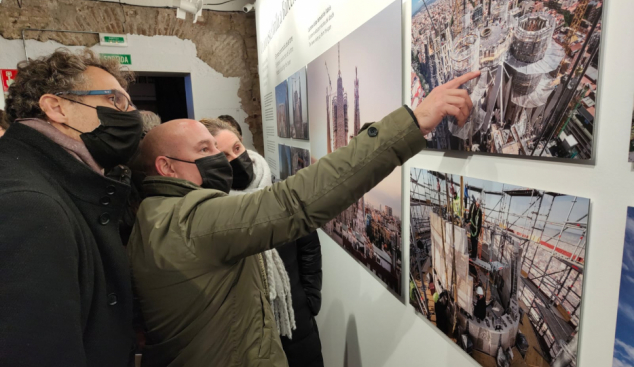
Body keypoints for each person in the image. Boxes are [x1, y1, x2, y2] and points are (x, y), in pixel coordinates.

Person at [127, 70, 479, 367]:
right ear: (167, 167)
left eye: (223, 149)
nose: (222, 160)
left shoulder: (155, 215)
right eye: (205, 151)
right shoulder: (187, 222)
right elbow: (294, 202)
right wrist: (412, 123)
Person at [0, 49, 143, 366]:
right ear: (56, 107)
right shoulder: (28, 203)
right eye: (114, 100)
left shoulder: (55, 177)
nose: (130, 114)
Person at [202, 117, 324, 367]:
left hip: (295, 318)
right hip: (243, 330)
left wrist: (310, 298)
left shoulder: (279, 194)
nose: (235, 159)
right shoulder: (208, 210)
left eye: (237, 148)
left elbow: (308, 246)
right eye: (223, 155)